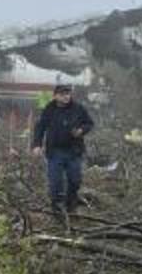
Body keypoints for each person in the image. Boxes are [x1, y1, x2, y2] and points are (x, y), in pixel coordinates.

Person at [30, 84, 94, 212]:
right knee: (55, 181)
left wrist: (81, 130)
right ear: (55, 96)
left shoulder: (78, 108)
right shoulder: (49, 109)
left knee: (75, 180)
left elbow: (89, 123)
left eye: (68, 94)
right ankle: (57, 207)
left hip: (74, 150)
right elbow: (40, 127)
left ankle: (71, 204)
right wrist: (37, 145)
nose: (66, 97)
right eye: (63, 94)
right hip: (55, 151)